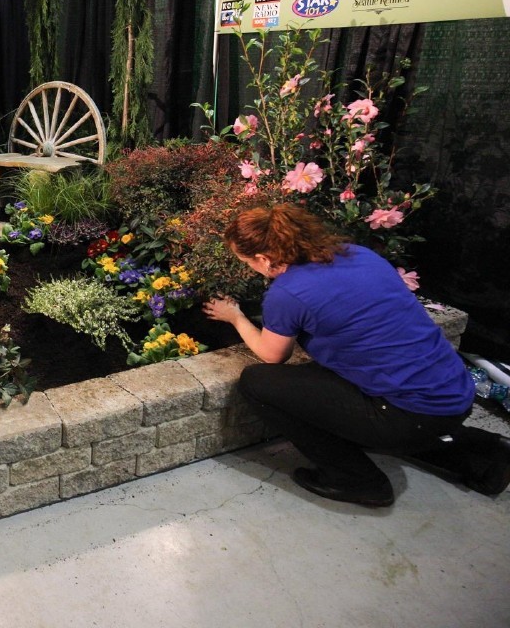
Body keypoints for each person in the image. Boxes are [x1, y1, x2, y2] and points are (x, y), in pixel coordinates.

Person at [204, 204, 510, 507]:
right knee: (337, 386)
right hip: (453, 391)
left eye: (246, 262)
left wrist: (235, 317)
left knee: (259, 383)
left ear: (263, 258)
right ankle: (486, 453)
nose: (249, 268)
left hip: (408, 414)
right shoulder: (356, 254)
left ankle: (356, 480)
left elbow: (272, 356)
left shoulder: (288, 292)